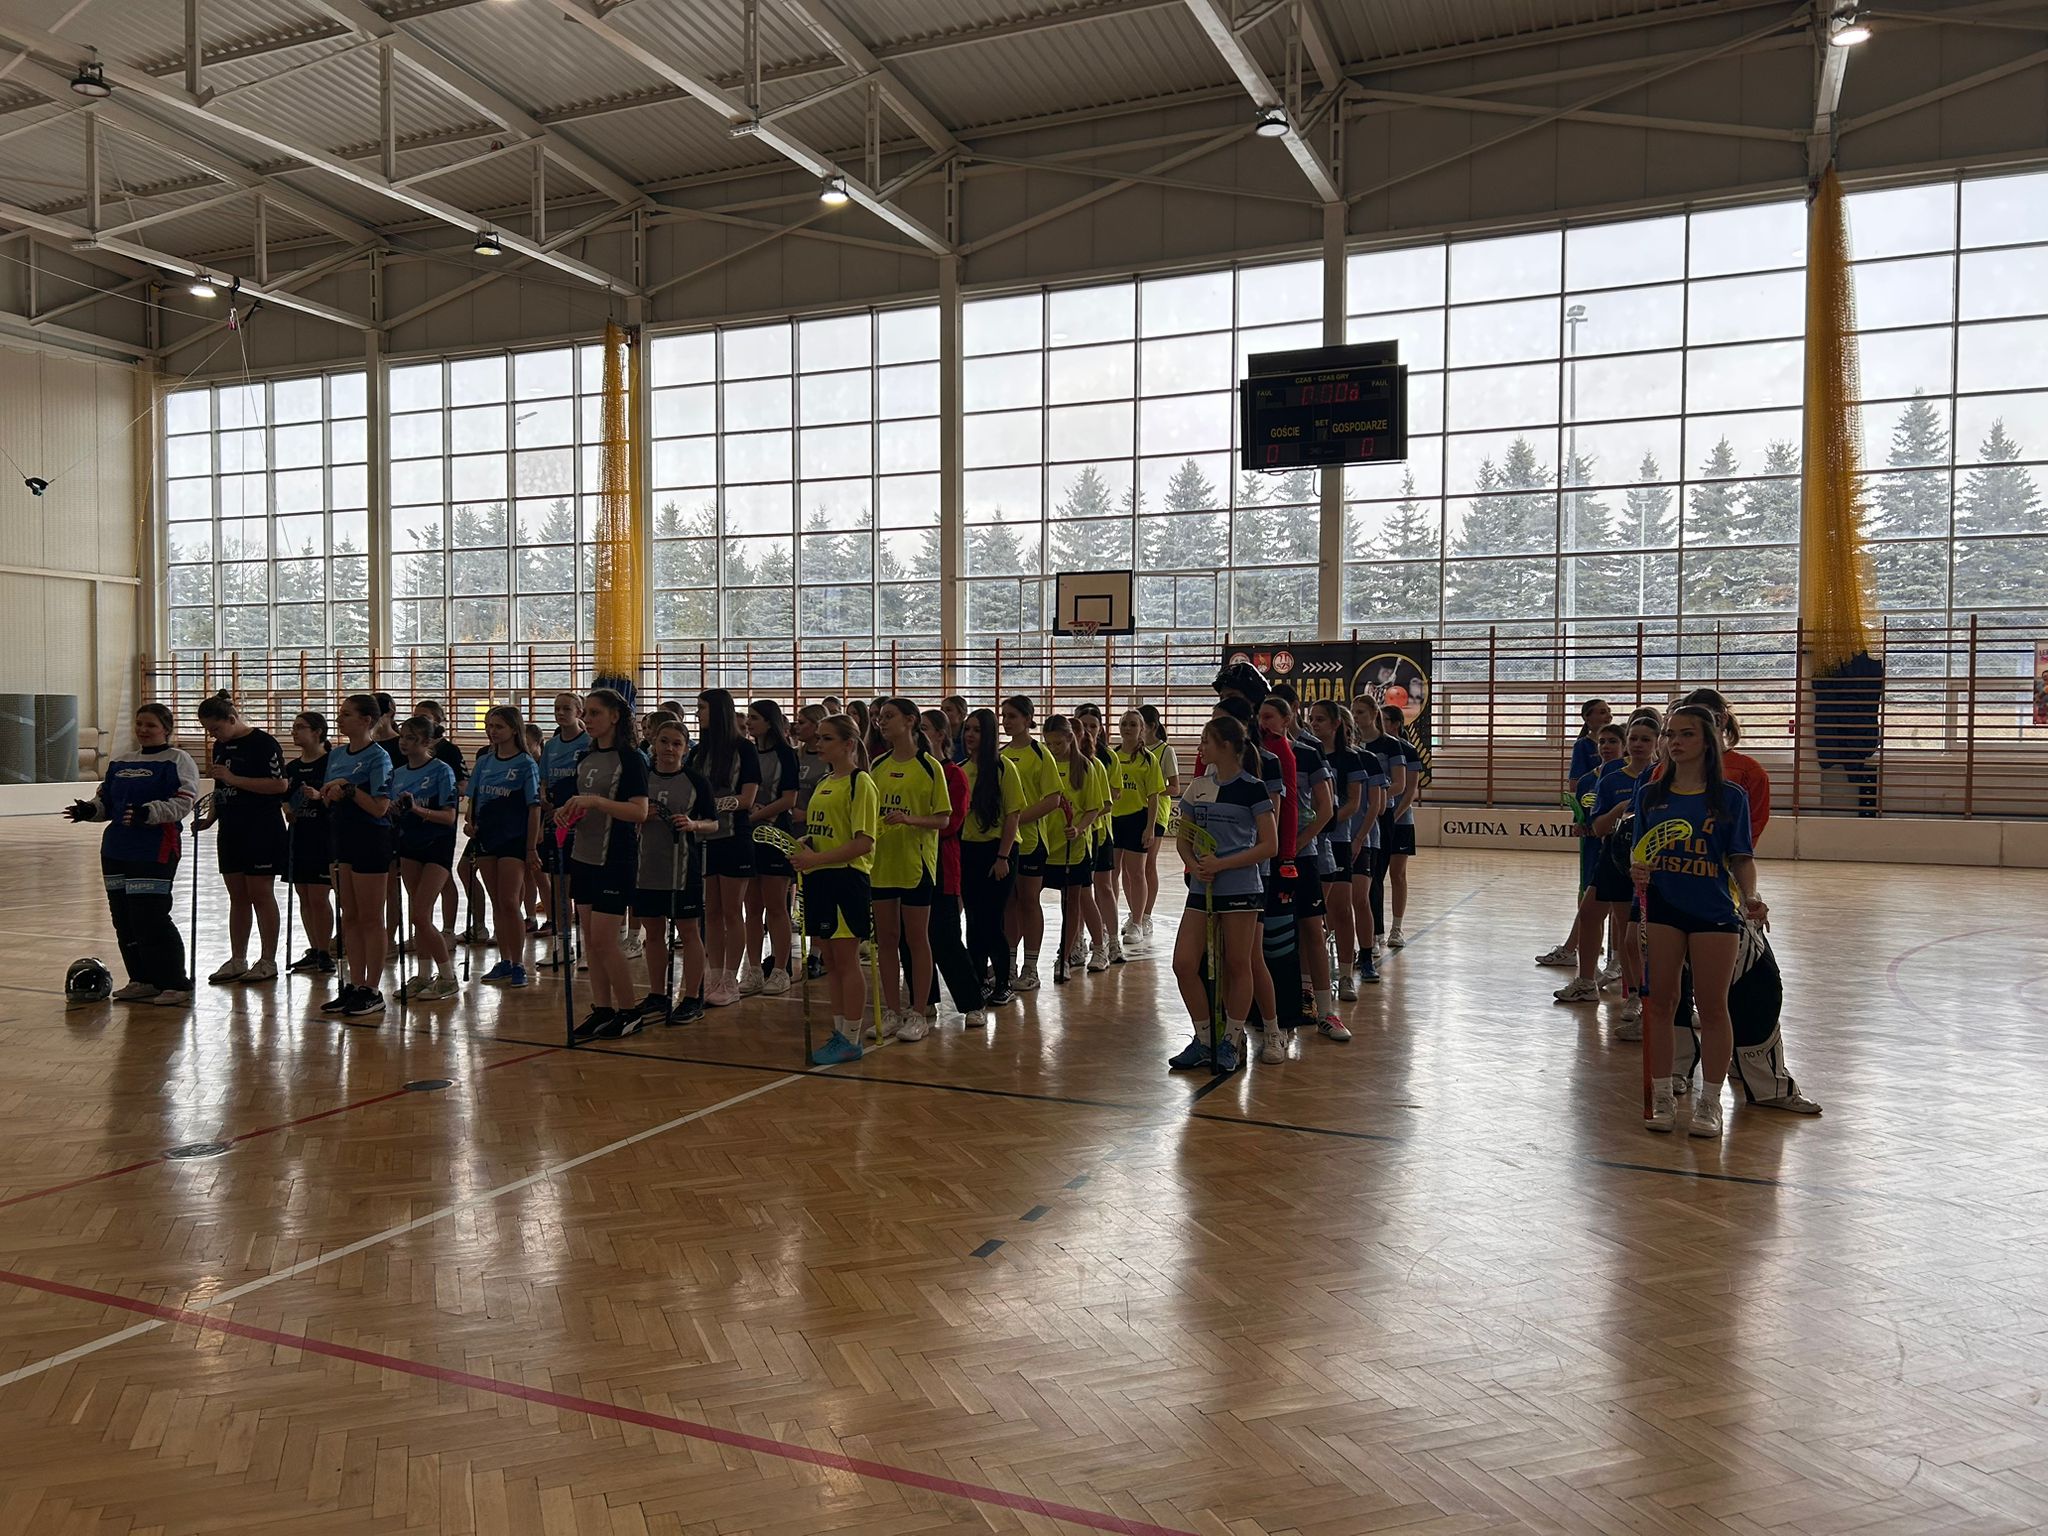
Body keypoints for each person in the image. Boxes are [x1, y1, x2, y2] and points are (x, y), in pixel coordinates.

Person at [1631, 703, 1766, 1136]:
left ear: (1708, 741)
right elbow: (1639, 852)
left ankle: (1710, 1102)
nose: (1675, 742)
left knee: (1712, 1007)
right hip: (1664, 907)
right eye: (1670, 734)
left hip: (1714, 910)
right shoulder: (1650, 794)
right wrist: (1638, 870)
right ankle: (1663, 1094)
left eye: (1686, 734)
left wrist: (1751, 897)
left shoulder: (1730, 797)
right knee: (1662, 1004)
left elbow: (1741, 857)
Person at [62, 702, 198, 1006]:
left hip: (154, 848)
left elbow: (183, 802)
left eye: (150, 725)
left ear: (166, 729)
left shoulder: (178, 760)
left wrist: (148, 813)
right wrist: (89, 810)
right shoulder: (121, 761)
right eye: (139, 724)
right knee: (124, 918)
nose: (143, 730)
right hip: (116, 848)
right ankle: (141, 979)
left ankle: (175, 983)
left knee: (150, 916)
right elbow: (106, 802)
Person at [1167, 714, 1277, 1074]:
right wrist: (1193, 864)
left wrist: (1223, 864)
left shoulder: (1253, 788)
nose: (1201, 747)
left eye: (1206, 740)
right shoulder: (1198, 787)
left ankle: (1231, 1040)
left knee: (1237, 964)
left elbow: (1269, 845)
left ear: (1226, 746)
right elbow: (1184, 839)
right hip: (1203, 887)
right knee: (1184, 963)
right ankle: (1205, 1039)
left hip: (1241, 888)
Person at [559, 688, 650, 1040]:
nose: (589, 719)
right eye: (587, 712)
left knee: (604, 940)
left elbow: (639, 811)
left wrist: (595, 802)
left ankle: (629, 1011)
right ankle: (603, 1008)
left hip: (616, 858)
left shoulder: (632, 759)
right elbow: (586, 805)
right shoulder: (585, 757)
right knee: (590, 940)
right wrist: (570, 813)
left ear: (615, 716)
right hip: (583, 856)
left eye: (595, 712)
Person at [791, 714, 878, 1065]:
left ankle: (851, 1038)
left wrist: (817, 857)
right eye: (819, 737)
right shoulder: (825, 781)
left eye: (827, 738)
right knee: (830, 959)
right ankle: (840, 1033)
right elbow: (827, 831)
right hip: (820, 878)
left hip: (846, 879)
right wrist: (807, 843)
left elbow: (863, 843)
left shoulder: (861, 783)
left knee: (845, 959)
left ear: (848, 744)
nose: (819, 743)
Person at [193, 691, 289, 984]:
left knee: (260, 893)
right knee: (237, 896)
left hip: (261, 828)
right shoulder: (220, 747)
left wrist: (235, 779)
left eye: (216, 728)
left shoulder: (263, 743)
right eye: (208, 731)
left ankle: (268, 960)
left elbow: (280, 785)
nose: (213, 735)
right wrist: (210, 818)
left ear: (232, 719)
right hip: (230, 829)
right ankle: (238, 959)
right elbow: (221, 788)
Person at [870, 697, 949, 1040]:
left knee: (917, 939)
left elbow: (943, 819)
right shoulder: (877, 765)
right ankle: (892, 1010)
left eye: (889, 716)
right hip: (882, 865)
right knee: (887, 939)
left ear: (910, 721)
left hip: (916, 865)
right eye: (880, 717)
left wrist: (909, 819)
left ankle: (919, 1012)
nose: (882, 722)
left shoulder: (930, 767)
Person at [632, 719, 716, 1028]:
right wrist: (640, 817)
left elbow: (713, 823)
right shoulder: (640, 779)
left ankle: (692, 997)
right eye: (664, 741)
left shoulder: (696, 781)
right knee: (653, 932)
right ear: (654, 743)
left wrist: (693, 825)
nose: (669, 748)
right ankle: (657, 994)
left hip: (683, 868)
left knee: (689, 930)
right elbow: (626, 815)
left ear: (685, 748)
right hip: (646, 868)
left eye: (676, 743)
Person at [1264, 691, 1334, 1036]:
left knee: (1312, 930)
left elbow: (1326, 809)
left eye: (1269, 717)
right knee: (1276, 939)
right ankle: (1280, 1011)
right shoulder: (1256, 756)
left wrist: (1296, 843)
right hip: (1268, 859)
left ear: (1287, 719)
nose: (1262, 724)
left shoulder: (1306, 753)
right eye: (1259, 717)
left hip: (1302, 856)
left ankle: (1327, 1011)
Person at [321, 693, 395, 1018]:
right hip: (342, 838)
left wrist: (350, 789)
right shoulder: (337, 755)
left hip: (371, 839)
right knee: (349, 915)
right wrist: (332, 792)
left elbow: (380, 807)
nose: (340, 719)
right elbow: (326, 796)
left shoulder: (379, 757)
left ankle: (372, 989)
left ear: (366, 720)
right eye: (340, 713)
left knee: (370, 917)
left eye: (347, 714)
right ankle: (355, 983)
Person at [1589, 712, 1661, 1040]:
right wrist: (1621, 811)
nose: (1638, 744)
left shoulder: (1661, 777)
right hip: (1619, 862)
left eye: (1646, 739)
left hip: (1653, 867)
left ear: (1657, 742)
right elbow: (1598, 827)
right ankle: (1634, 994)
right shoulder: (1611, 779)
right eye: (1633, 738)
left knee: (1649, 938)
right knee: (1627, 935)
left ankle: (1670, 999)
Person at [687, 688, 760, 1007]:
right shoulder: (697, 752)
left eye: (702, 708)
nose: (697, 713)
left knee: (732, 911)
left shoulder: (744, 749)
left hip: (734, 837)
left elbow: (748, 798)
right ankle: (715, 975)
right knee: (711, 912)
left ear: (718, 711)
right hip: (704, 840)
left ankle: (731, 978)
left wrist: (713, 806)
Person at [1550, 723, 1625, 1004]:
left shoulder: (1636, 777)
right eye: (1602, 742)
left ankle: (1621, 968)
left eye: (1613, 741)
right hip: (1596, 852)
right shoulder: (1587, 781)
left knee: (1623, 916)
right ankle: (1588, 973)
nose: (1606, 746)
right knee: (1591, 908)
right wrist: (1582, 826)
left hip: (1625, 856)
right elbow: (1586, 817)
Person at [468, 704, 541, 989]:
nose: (492, 731)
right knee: (497, 901)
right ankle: (505, 960)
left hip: (514, 838)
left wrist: (531, 847)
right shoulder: (484, 762)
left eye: (498, 726)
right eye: (489, 726)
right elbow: (474, 798)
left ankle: (519, 963)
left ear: (513, 729)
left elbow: (534, 807)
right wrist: (471, 822)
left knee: (510, 901)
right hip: (487, 837)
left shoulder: (525, 764)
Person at [919, 707, 984, 1021]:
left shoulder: (953, 773)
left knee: (945, 937)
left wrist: (914, 823)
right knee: (913, 938)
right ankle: (924, 1000)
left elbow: (952, 823)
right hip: (910, 862)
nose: (919, 734)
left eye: (925, 728)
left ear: (940, 735)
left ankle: (972, 1003)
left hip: (943, 863)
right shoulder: (912, 771)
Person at [1540, 699, 1615, 966]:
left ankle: (1595, 947)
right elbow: (1576, 785)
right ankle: (1582, 942)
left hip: (1615, 831)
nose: (1608, 715)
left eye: (1609, 711)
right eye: (1602, 712)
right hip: (1592, 825)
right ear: (1587, 717)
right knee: (1590, 886)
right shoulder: (1583, 747)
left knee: (1610, 892)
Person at [391, 715, 461, 1000]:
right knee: (419, 917)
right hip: (409, 846)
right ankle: (422, 975)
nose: (404, 743)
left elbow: (449, 817)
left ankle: (448, 977)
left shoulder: (442, 771)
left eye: (411, 738)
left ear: (426, 741)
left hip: (437, 847)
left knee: (420, 914)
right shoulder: (398, 773)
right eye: (402, 737)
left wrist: (417, 809)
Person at [958, 707, 1022, 1011]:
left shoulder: (1004, 769)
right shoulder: (960, 770)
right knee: (972, 919)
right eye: (967, 729)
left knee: (991, 920)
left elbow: (1013, 816)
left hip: (998, 851)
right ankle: (978, 979)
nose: (970, 735)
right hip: (968, 851)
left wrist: (1002, 856)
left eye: (977, 730)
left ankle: (1003, 982)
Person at [999, 696, 1062, 991]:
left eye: (1012, 716)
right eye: (1004, 716)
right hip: (1006, 843)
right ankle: (1009, 964)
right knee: (1008, 903)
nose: (1006, 721)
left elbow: (1053, 799)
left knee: (1028, 901)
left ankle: (1031, 967)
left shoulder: (1040, 754)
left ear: (1027, 719)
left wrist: (1018, 818)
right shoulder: (1000, 755)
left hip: (1032, 842)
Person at [1040, 714, 1107, 986]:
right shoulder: (1044, 763)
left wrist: (1078, 828)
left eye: (1058, 743)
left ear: (1070, 738)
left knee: (1072, 902)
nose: (1053, 748)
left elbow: (1093, 808)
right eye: (1049, 744)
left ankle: (1065, 956)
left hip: (1074, 847)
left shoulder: (1085, 767)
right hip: (1044, 845)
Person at [742, 699, 802, 996]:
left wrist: (756, 815)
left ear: (769, 722)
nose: (748, 723)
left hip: (776, 835)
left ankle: (780, 969)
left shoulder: (786, 754)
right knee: (751, 908)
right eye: (748, 717)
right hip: (748, 836)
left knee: (776, 907)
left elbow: (789, 799)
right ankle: (753, 969)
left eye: (754, 718)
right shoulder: (747, 752)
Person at [1308, 699, 1362, 1020]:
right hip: (1310, 842)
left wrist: (1326, 822)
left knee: (1341, 909)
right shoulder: (1308, 753)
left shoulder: (1350, 758)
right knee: (1315, 915)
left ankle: (1345, 974)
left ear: (1335, 724)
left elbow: (1353, 802)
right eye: (1311, 719)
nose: (1314, 725)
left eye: (1320, 720)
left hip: (1336, 839)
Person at [1337, 701, 1390, 987]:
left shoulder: (1367, 759)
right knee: (1337, 905)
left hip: (1364, 838)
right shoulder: (1323, 757)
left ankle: (1367, 956)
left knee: (1360, 898)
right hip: (1334, 839)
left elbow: (1376, 807)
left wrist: (1359, 838)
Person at [1353, 696, 1407, 960]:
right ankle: (1365, 935)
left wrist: (1375, 796)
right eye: (1353, 712)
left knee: (1375, 875)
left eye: (1361, 712)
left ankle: (1376, 935)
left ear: (1374, 713)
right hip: (1355, 815)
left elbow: (1399, 783)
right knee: (1356, 881)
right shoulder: (1352, 745)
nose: (1356, 717)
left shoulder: (1390, 745)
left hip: (1381, 814)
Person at [283, 711, 337, 976]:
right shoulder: (292, 768)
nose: (294, 731)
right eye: (293, 727)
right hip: (299, 837)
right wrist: (288, 809)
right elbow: (285, 798)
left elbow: (338, 798)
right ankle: (314, 949)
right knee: (303, 894)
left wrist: (319, 796)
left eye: (300, 727)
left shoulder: (331, 763)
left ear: (317, 732)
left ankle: (326, 951)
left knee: (318, 896)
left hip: (323, 837)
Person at [537, 691, 588, 962]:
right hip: (556, 820)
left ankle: (587, 946)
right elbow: (545, 780)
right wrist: (545, 798)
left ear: (579, 712)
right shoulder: (551, 745)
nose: (560, 713)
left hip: (581, 822)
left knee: (582, 887)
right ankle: (562, 944)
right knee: (558, 885)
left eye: (566, 708)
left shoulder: (589, 743)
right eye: (557, 708)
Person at [413, 699, 470, 937]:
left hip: (440, 822)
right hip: (413, 824)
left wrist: (442, 791)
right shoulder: (409, 750)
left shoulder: (449, 751)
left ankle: (447, 929)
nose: (419, 720)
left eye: (425, 716)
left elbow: (464, 784)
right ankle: (421, 930)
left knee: (443, 877)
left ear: (438, 721)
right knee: (417, 881)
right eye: (416, 715)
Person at [1111, 709, 1166, 956]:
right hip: (1113, 820)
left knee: (1136, 873)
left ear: (1142, 729)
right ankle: (1109, 921)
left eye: (1133, 724)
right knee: (1111, 874)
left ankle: (1137, 922)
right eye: (1124, 724)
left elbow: (1154, 796)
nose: (1128, 728)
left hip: (1137, 819)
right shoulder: (1112, 756)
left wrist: (1150, 827)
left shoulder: (1148, 760)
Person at [1073, 705, 1121, 970]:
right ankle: (1077, 941)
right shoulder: (1067, 759)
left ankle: (1112, 941)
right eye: (1083, 725)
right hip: (1076, 836)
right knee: (1080, 891)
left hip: (1099, 832)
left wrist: (1086, 812)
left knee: (1103, 887)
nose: (1088, 731)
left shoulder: (1106, 759)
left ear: (1100, 728)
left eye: (1093, 726)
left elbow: (1110, 799)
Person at [1379, 702, 1424, 949]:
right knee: (1373, 878)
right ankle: (1375, 931)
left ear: (1395, 724)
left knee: (1397, 874)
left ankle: (1396, 928)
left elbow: (1410, 791)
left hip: (1400, 820)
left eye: (1383, 720)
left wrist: (1393, 816)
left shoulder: (1408, 750)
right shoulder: (1370, 747)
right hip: (1375, 820)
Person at [1137, 703, 1177, 940]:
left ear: (1151, 726)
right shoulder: (1134, 751)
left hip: (1157, 813)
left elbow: (1175, 787)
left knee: (1148, 865)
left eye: (1140, 725)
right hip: (1134, 812)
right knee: (1132, 869)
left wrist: (1152, 790)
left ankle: (1146, 915)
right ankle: (1135, 913)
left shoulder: (1165, 751)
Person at [941, 695, 970, 763]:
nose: (943, 713)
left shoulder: (969, 737)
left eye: (948, 710)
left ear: (961, 714)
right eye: (941, 710)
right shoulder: (938, 735)